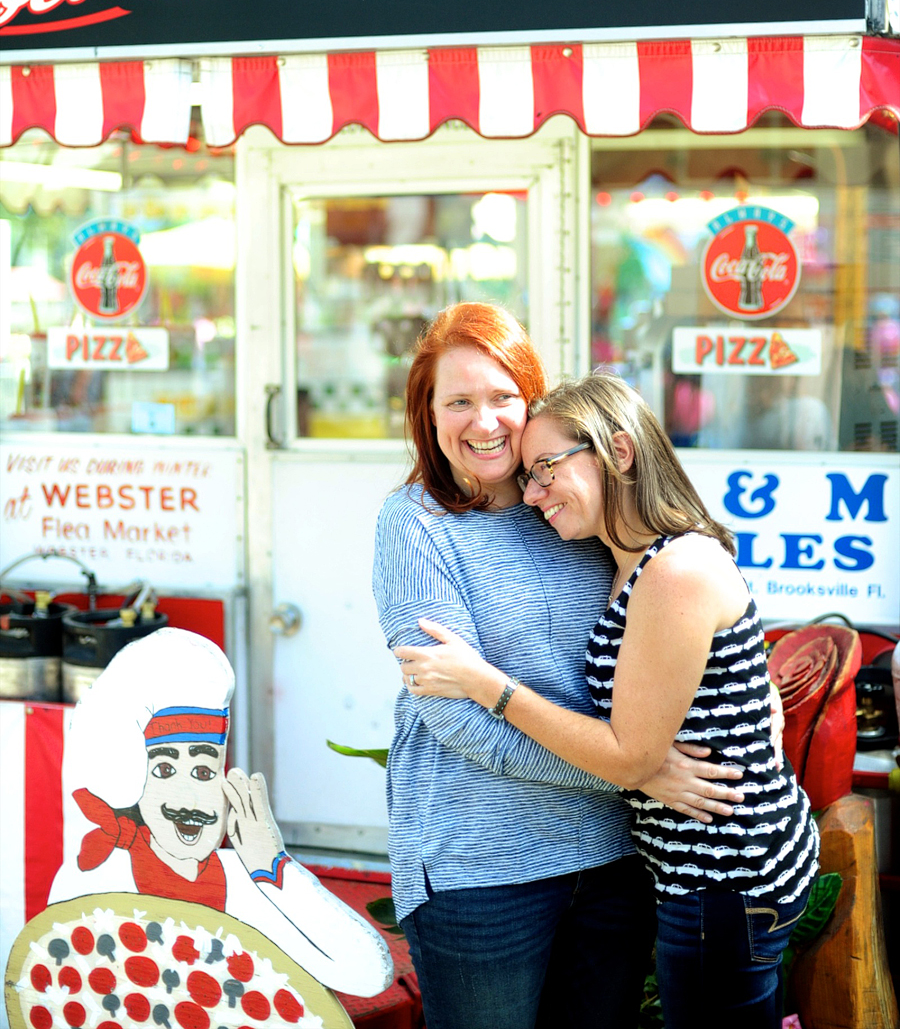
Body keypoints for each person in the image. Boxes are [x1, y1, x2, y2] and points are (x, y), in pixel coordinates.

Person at [397, 371, 820, 1029]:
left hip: (722, 883)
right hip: (701, 876)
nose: (531, 493)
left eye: (544, 469)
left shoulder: (672, 568)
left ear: (619, 452)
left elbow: (628, 756)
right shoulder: (627, 558)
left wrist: (487, 684)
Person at [49, 627, 393, 998]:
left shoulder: (251, 885)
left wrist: (272, 866)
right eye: (164, 771)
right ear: (134, 782)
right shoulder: (93, 878)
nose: (189, 800)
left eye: (203, 772)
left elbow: (368, 974)